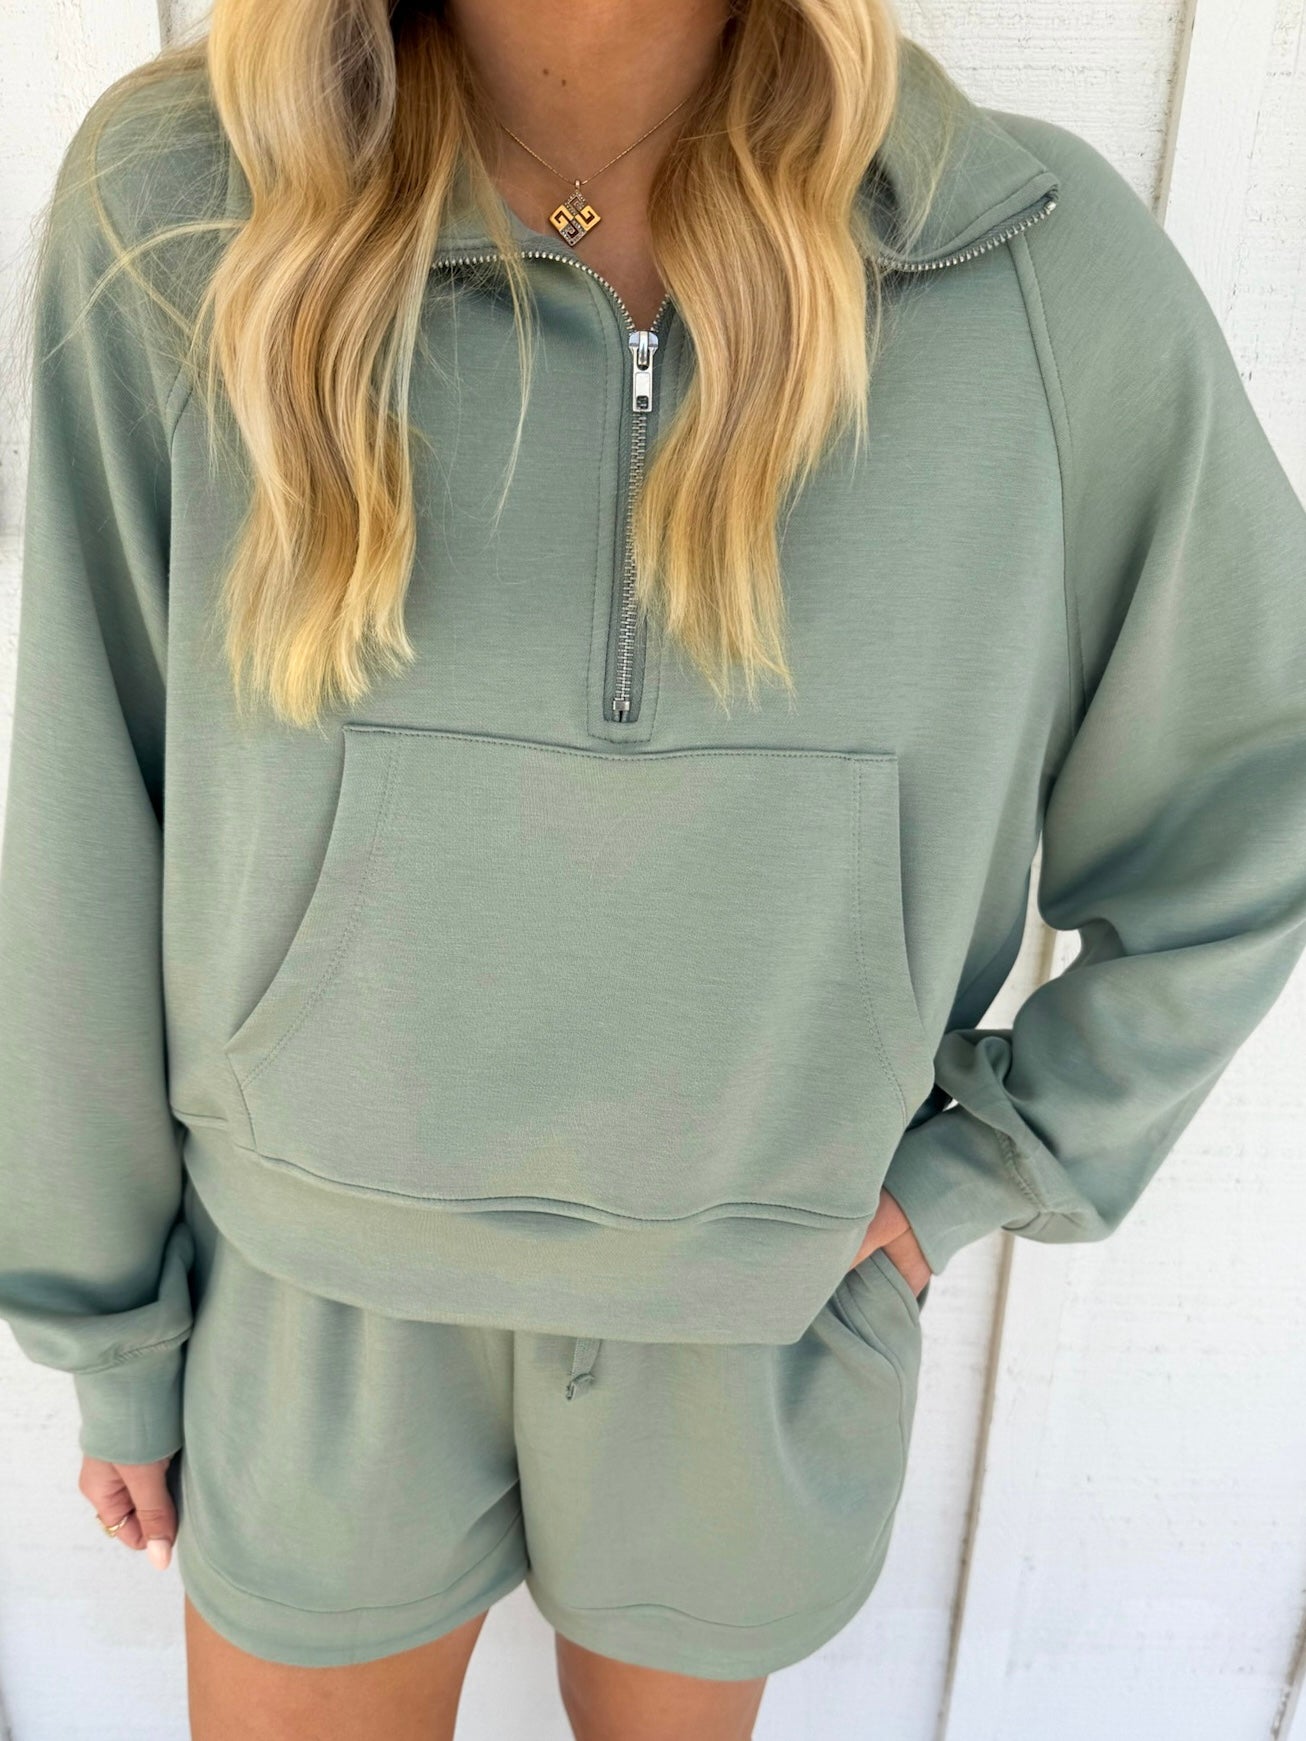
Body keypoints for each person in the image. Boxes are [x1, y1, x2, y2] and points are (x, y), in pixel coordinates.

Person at [2, 1, 1304, 1736]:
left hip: (757, 1322)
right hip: (304, 1313)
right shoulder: (186, 206)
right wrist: (109, 1326)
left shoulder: (1027, 266)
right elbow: (91, 801)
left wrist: (985, 1166)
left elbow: (1252, 793)